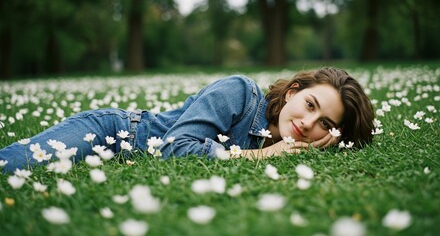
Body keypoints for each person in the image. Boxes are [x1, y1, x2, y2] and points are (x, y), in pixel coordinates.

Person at [0, 67, 375, 173]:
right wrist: (265, 155)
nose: (310, 124)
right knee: (15, 164)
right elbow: (176, 149)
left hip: (124, 153)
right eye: (310, 105)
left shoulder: (293, 149)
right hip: (114, 133)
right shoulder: (240, 93)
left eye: (326, 124)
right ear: (292, 92)